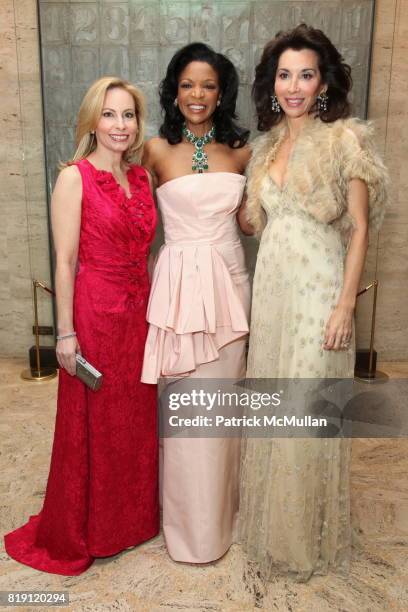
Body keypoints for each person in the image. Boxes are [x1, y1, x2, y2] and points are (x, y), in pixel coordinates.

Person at [238, 24, 388, 581]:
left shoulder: (344, 139)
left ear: (323, 81)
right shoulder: (269, 144)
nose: (294, 86)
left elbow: (360, 230)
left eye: (305, 74)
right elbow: (256, 224)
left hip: (319, 295)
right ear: (271, 82)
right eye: (284, 75)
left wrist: (345, 305)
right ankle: (272, 531)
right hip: (273, 295)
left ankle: (302, 544)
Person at [4, 77, 159, 575]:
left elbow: (148, 251)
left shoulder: (142, 179)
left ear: (138, 123)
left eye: (128, 115)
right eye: (110, 114)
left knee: (133, 424)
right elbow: (65, 261)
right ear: (93, 120)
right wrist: (64, 334)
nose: (119, 124)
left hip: (138, 318)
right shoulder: (75, 177)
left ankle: (131, 522)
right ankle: (88, 528)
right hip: (94, 318)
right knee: (95, 427)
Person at [141, 42, 251, 563]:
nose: (198, 94)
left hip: (230, 290)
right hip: (179, 291)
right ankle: (184, 529)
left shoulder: (244, 150)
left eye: (208, 84)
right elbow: (129, 217)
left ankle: (223, 521)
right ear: (174, 90)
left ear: (222, 90)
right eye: (187, 84)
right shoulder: (153, 150)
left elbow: (254, 220)